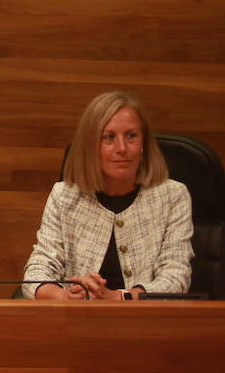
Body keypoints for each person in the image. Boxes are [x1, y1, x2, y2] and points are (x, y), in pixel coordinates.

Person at [22, 91, 192, 300]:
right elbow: (38, 270)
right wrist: (62, 296)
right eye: (108, 137)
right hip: (76, 322)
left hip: (146, 324)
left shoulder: (173, 196)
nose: (122, 148)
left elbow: (176, 277)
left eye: (131, 136)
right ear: (91, 146)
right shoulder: (64, 196)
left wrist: (120, 298)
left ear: (143, 144)